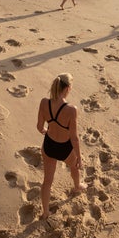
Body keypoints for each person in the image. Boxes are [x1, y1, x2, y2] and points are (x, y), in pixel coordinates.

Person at [36, 73, 86, 219]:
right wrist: (80, 157)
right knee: (74, 167)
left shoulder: (44, 102)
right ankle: (77, 187)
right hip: (65, 148)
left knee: (47, 181)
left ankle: (45, 212)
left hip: (49, 145)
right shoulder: (71, 109)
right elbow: (74, 138)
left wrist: (46, 131)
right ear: (68, 88)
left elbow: (39, 127)